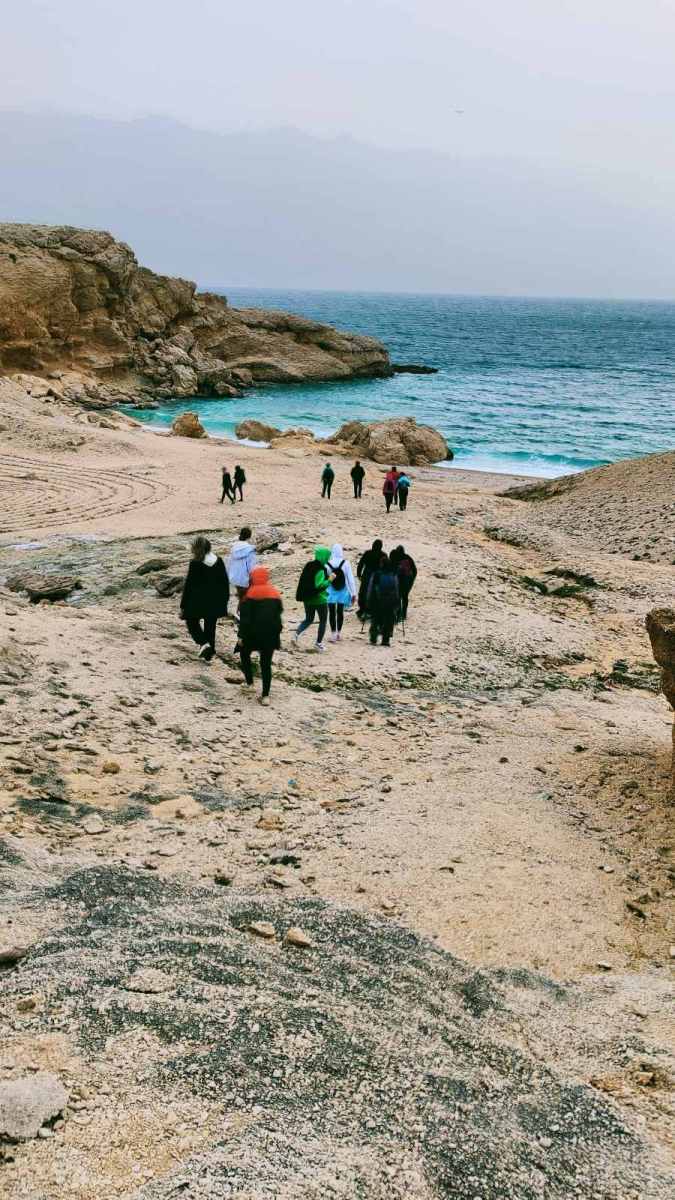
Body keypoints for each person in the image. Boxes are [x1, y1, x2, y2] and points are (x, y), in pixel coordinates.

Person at [237, 566, 282, 706]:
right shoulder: (275, 593)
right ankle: (265, 696)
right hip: (271, 635)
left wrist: (241, 636)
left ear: (252, 578)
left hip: (252, 635)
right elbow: (279, 612)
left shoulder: (248, 595)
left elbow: (245, 620)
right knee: (266, 664)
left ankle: (250, 683)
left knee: (244, 654)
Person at [179, 536, 230, 661]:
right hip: (216, 600)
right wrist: (225, 600)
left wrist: (183, 605)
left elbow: (189, 585)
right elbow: (224, 582)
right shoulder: (218, 560)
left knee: (191, 621)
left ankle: (203, 643)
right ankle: (208, 654)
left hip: (197, 601)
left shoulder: (195, 563)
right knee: (210, 627)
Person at [293, 547, 332, 652]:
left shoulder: (308, 565)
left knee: (309, 619)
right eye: (327, 557)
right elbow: (319, 585)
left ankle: (296, 634)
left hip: (307, 599)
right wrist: (329, 580)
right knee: (323, 621)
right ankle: (318, 644)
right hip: (320, 600)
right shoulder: (321, 569)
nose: (328, 559)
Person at [367, 554, 400, 647]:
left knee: (375, 619)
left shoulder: (376, 574)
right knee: (388, 620)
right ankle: (385, 640)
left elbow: (370, 588)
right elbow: (396, 589)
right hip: (390, 602)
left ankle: (373, 637)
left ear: (381, 564)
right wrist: (397, 601)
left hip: (377, 601)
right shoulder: (393, 575)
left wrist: (368, 600)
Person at [326, 543, 357, 642]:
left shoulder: (327, 564)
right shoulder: (346, 563)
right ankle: (339, 633)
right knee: (340, 612)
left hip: (330, 591)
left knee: (331, 612)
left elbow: (325, 579)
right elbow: (350, 579)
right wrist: (353, 593)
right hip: (342, 590)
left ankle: (333, 634)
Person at [227, 527, 257, 609]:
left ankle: (240, 613)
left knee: (241, 597)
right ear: (249, 536)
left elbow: (230, 563)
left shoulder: (233, 548)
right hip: (245, 577)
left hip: (235, 577)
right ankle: (242, 613)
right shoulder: (250, 549)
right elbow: (252, 565)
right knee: (246, 599)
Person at [356, 538, 384, 619]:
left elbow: (361, 564)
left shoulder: (367, 553)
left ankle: (362, 609)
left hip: (366, 576)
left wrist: (359, 574)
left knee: (363, 593)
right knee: (375, 594)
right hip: (377, 577)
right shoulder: (383, 555)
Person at [390, 545, 417, 621]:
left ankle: (398, 614)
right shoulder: (408, 558)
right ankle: (404, 614)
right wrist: (412, 580)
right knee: (405, 597)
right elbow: (414, 570)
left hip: (400, 580)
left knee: (398, 597)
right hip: (408, 580)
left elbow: (392, 569)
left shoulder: (395, 558)